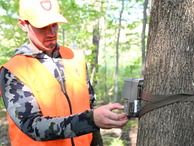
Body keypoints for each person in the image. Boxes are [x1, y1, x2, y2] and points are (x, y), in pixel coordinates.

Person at [0, 0, 129, 145]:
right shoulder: (14, 70)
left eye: (54, 24)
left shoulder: (75, 58)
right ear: (23, 24)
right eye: (43, 27)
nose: (51, 33)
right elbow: (31, 125)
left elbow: (89, 107)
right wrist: (90, 120)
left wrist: (95, 132)